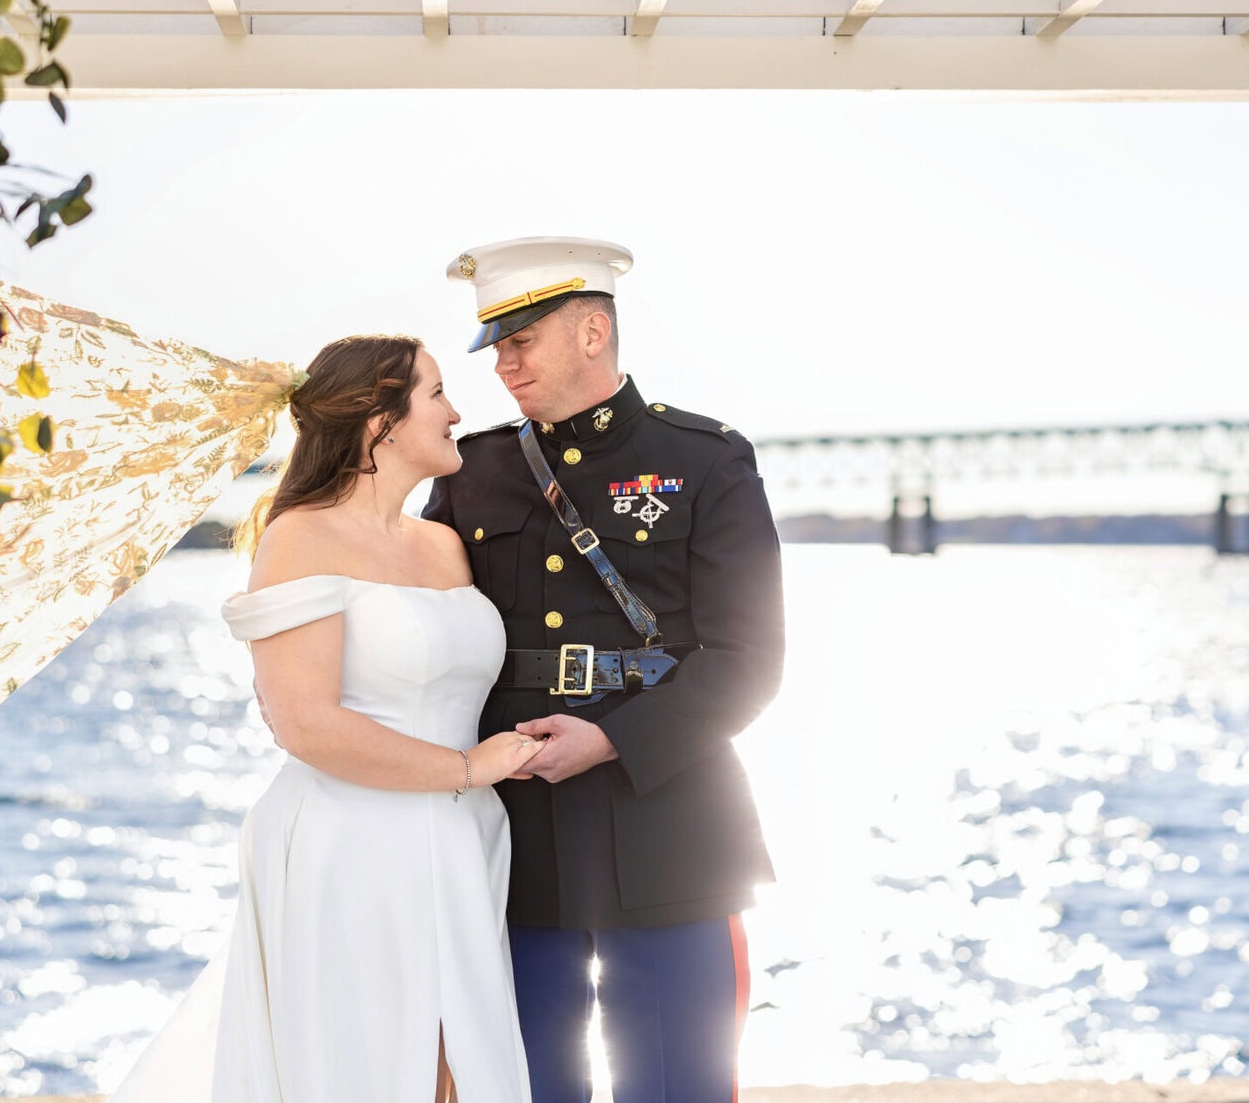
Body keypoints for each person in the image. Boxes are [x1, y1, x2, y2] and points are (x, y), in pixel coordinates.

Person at [108, 335, 542, 1103]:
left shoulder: (443, 545)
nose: (457, 412)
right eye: (437, 393)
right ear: (380, 419)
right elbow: (304, 723)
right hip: (352, 843)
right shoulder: (300, 537)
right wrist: (471, 770)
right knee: (372, 1063)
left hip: (461, 838)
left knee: (461, 1070)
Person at [422, 237, 787, 1103]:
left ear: (593, 331)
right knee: (523, 1085)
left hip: (668, 825)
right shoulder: (473, 472)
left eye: (521, 342)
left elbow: (752, 658)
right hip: (514, 835)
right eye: (495, 348)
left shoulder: (705, 460)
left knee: (678, 1086)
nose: (503, 365)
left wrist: (612, 739)